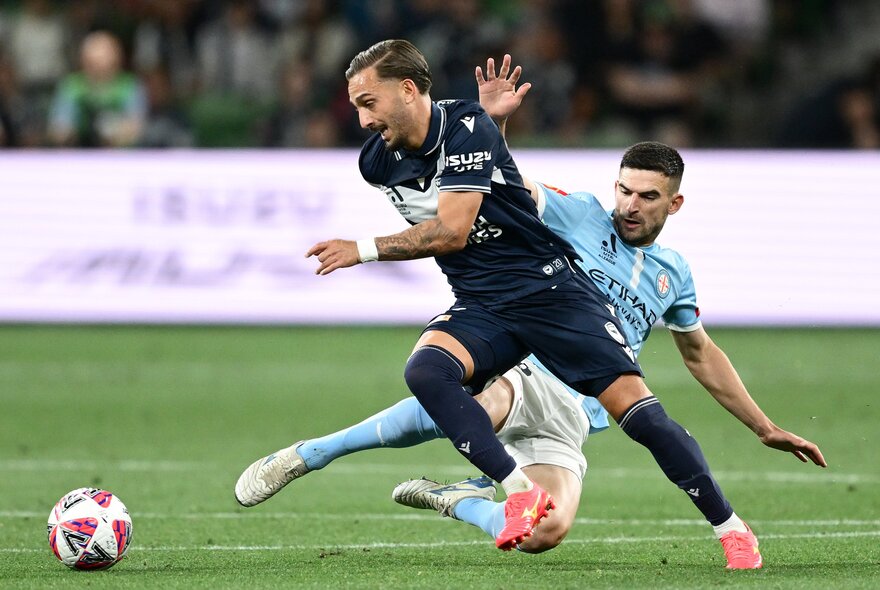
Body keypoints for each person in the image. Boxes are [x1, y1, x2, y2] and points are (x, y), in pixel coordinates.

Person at [234, 40, 810, 556]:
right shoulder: (579, 211)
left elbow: (700, 354)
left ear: (672, 204)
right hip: (515, 341)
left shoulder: (673, 275)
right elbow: (500, 185)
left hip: (568, 373)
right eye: (625, 191)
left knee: (549, 530)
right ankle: (324, 455)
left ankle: (464, 499)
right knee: (438, 380)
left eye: (647, 196)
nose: (631, 205)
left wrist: (763, 426)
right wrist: (490, 128)